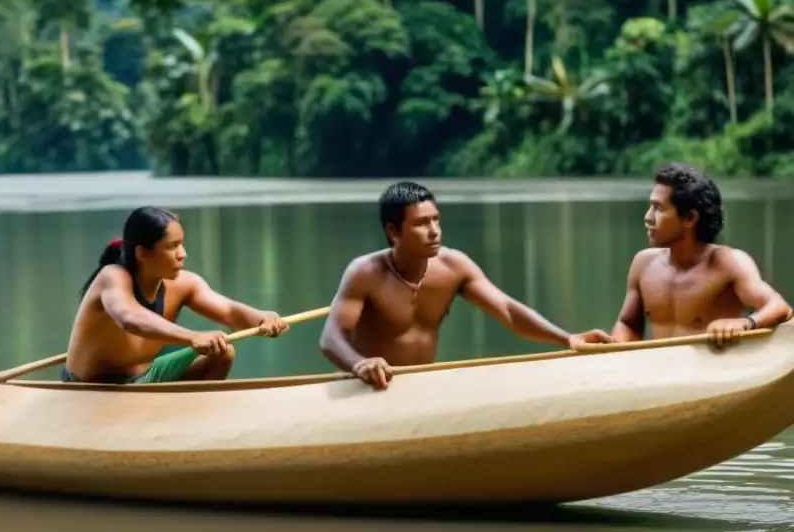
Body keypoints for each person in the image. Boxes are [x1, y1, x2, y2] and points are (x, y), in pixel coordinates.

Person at [319, 181, 613, 390]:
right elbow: (331, 338)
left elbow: (507, 310)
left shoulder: (453, 267)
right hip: (368, 388)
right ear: (393, 231)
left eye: (436, 220)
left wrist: (566, 339)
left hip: (422, 386)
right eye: (422, 224)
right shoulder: (365, 273)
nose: (434, 231)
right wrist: (359, 365)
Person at [63, 205, 288, 384]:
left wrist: (260, 318)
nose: (183, 254)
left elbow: (230, 312)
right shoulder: (112, 277)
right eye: (173, 246)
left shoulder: (185, 284)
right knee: (211, 346)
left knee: (222, 351)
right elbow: (130, 318)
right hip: (92, 388)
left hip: (148, 377)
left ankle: (191, 425)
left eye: (182, 245)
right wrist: (191, 337)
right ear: (142, 253)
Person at [608, 162, 791, 347]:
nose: (648, 217)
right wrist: (609, 345)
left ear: (690, 218)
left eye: (658, 208)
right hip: (661, 371)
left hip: (714, 371)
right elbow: (628, 324)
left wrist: (746, 323)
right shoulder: (643, 263)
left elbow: (779, 307)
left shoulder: (728, 263)